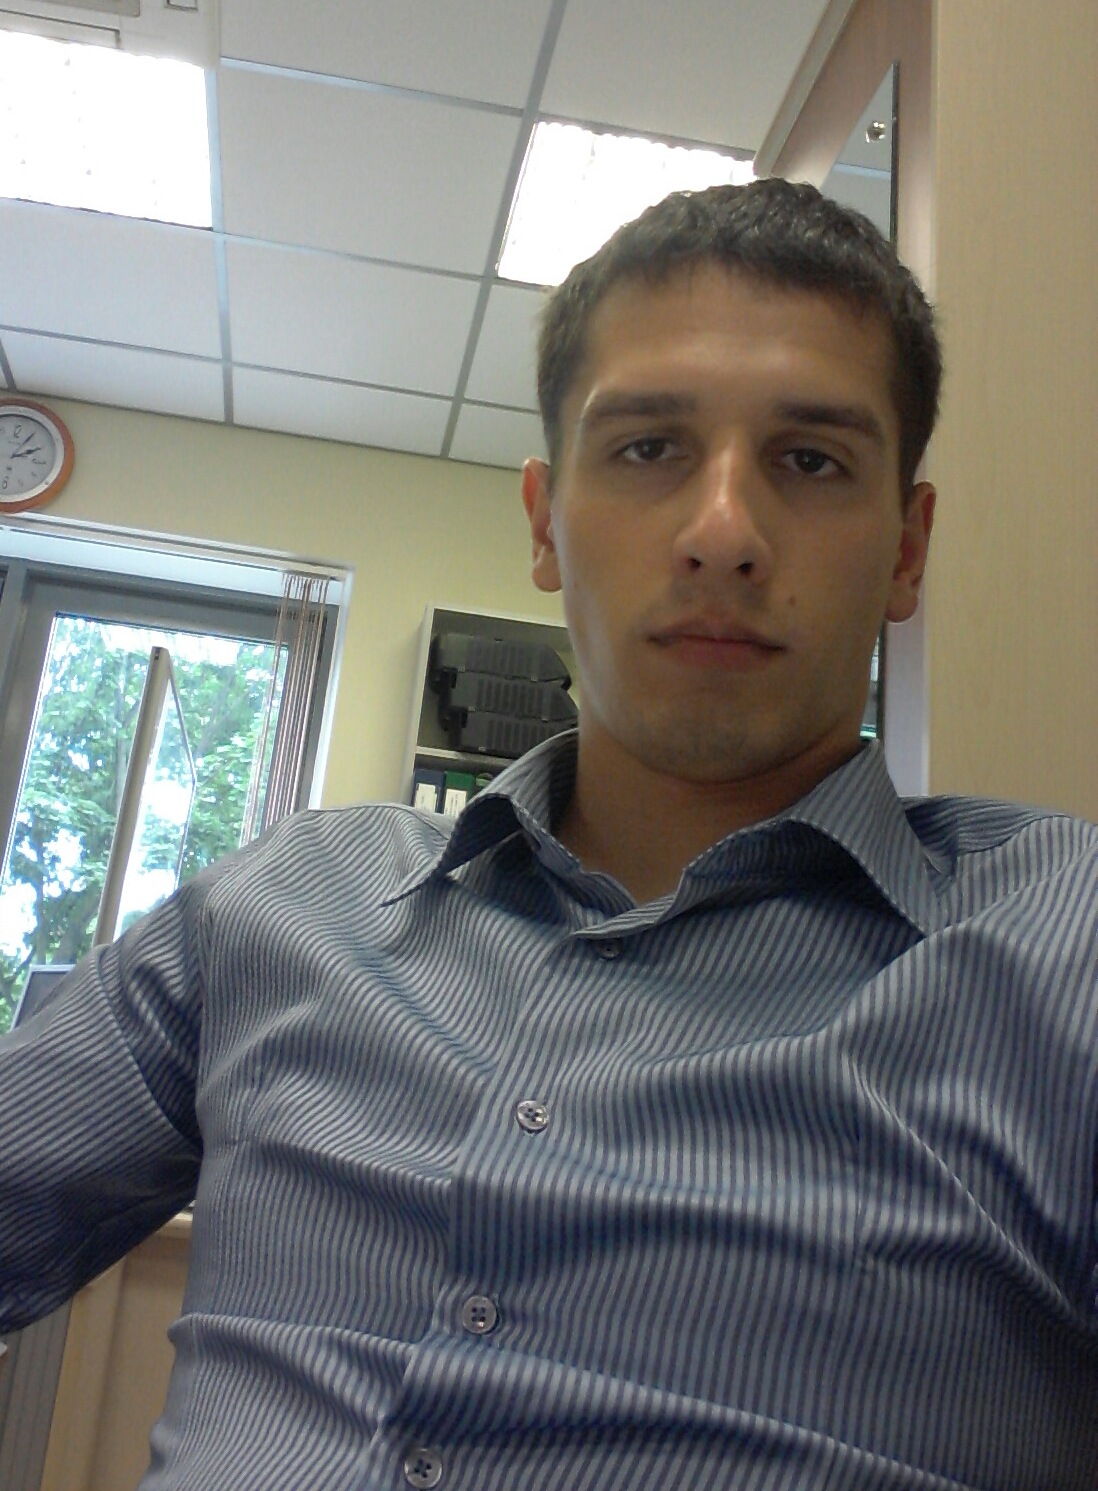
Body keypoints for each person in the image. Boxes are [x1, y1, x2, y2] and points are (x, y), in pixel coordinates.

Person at [1, 179, 1095, 1491]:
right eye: (647, 448)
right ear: (542, 522)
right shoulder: (289, 903)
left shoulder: (1063, 951)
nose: (723, 535)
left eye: (811, 461)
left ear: (906, 550)